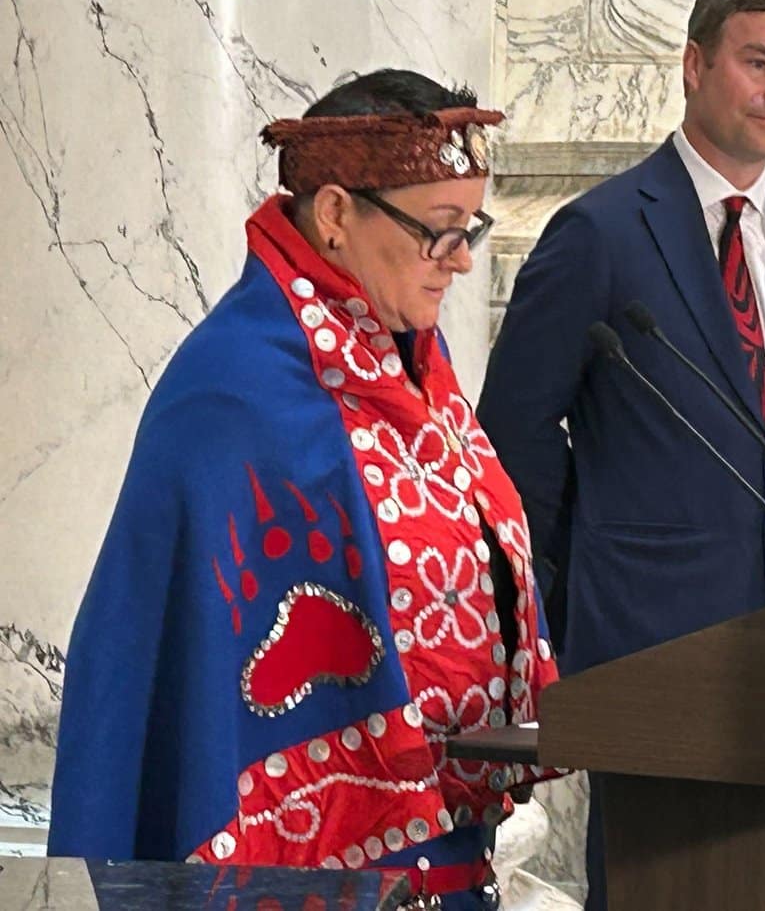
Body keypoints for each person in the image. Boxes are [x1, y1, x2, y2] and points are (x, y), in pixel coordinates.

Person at [49, 70, 559, 911]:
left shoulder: (408, 360)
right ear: (334, 215)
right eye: (439, 232)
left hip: (451, 857)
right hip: (303, 877)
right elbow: (176, 674)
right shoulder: (234, 391)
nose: (463, 259)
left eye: (471, 228)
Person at [477, 0, 765, 908]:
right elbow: (515, 431)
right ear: (694, 65)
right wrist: (583, 566)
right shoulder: (598, 231)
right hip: (652, 639)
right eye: (759, 63)